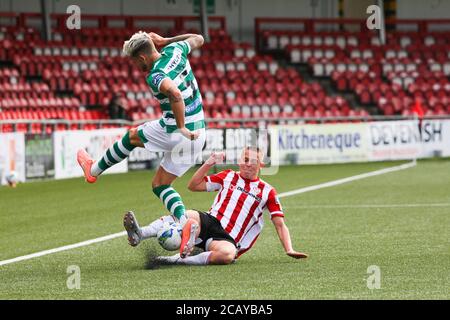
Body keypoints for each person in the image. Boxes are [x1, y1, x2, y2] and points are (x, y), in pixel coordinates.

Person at [77, 31, 206, 223]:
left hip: (176, 131)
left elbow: (175, 94)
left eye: (134, 62)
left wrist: (181, 127)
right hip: (199, 135)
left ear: (142, 57)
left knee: (131, 137)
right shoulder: (175, 49)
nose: (135, 67)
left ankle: (93, 171)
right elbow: (199, 38)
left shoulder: (156, 75)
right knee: (160, 185)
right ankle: (183, 223)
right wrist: (166, 40)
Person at [123, 147, 308, 265]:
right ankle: (141, 233)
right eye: (245, 159)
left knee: (228, 255)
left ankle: (177, 260)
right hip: (209, 222)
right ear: (239, 161)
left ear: (261, 164)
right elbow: (193, 185)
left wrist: (289, 249)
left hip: (227, 238)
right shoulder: (228, 176)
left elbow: (280, 224)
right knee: (186, 215)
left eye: (253, 161)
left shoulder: (267, 191)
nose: (248, 164)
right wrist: (209, 162)